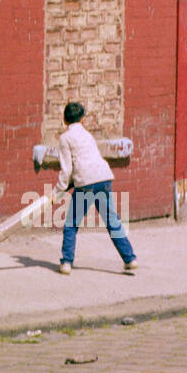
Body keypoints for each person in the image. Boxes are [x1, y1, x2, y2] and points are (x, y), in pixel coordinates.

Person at [53, 101, 138, 276]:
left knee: (71, 224)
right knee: (112, 221)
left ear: (64, 120)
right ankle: (130, 259)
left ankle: (66, 262)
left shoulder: (64, 138)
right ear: (83, 119)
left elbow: (67, 169)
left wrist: (57, 191)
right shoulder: (87, 135)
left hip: (85, 183)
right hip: (104, 178)